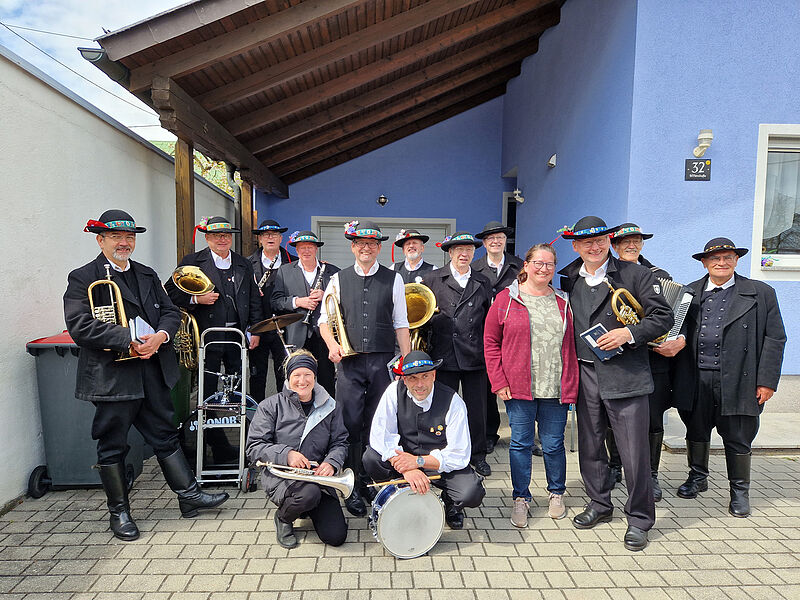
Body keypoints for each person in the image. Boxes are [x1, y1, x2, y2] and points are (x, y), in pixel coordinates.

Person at [64, 210, 229, 542]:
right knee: (113, 445)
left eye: (129, 237)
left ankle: (188, 495)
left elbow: (169, 311)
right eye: (116, 237)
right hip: (114, 377)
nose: (125, 243)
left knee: (166, 434)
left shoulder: (147, 274)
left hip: (151, 369)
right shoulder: (83, 277)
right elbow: (80, 326)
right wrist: (128, 341)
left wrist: (161, 337)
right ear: (100, 240)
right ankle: (119, 512)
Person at [558, 216, 673, 551]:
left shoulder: (635, 274)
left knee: (634, 452)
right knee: (591, 445)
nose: (594, 248)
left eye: (600, 241)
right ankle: (599, 503)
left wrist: (629, 333)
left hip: (625, 373)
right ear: (576, 246)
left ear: (609, 241)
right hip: (586, 372)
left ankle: (639, 519)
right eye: (585, 243)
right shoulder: (569, 278)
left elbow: (662, 317)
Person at [672, 238, 786, 517]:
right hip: (697, 377)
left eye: (728, 257)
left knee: (738, 436)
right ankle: (698, 477)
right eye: (715, 259)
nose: (721, 263)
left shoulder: (760, 292)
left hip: (739, 379)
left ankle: (739, 492)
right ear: (704, 262)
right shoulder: (689, 292)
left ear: (736, 260)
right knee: (696, 431)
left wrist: (767, 381)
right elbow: (676, 330)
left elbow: (775, 338)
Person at [318, 219, 411, 516]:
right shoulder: (337, 279)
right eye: (360, 244)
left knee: (379, 423)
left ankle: (376, 480)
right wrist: (332, 345)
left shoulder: (394, 279)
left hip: (382, 361)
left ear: (379, 247)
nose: (366, 248)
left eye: (371, 244)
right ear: (353, 247)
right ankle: (352, 483)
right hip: (350, 362)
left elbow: (401, 323)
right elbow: (324, 321)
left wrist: (407, 362)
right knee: (349, 424)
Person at [484, 244, 579, 527]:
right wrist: (498, 381)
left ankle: (556, 492)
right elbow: (490, 343)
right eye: (538, 263)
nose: (544, 269)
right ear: (525, 265)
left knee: (552, 445)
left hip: (555, 387)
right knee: (521, 444)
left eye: (550, 264)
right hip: (518, 387)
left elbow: (572, 345)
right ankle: (521, 498)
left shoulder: (564, 301)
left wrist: (572, 383)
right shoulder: (506, 299)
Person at [607, 223, 691, 502]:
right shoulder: (606, 274)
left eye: (637, 241)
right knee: (613, 417)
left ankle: (651, 474)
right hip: (617, 358)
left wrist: (680, 339)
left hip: (653, 359)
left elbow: (677, 315)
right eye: (625, 242)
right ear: (614, 246)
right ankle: (614, 466)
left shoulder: (659, 276)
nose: (631, 245)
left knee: (653, 419)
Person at [364, 350, 486, 529]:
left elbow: (459, 454)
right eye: (412, 378)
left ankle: (450, 503)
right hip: (404, 460)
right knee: (371, 458)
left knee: (471, 493)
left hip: (437, 465)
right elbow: (380, 435)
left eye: (425, 376)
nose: (420, 384)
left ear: (434, 375)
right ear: (404, 379)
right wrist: (407, 469)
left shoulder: (454, 401)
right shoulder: (393, 391)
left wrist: (417, 462)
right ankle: (397, 491)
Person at [246, 350, 349, 548]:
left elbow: (341, 442)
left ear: (314, 377)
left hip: (318, 479)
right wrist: (287, 454)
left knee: (336, 537)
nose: (302, 381)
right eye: (297, 375)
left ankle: (306, 508)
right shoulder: (270, 406)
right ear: (288, 378)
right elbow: (254, 446)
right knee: (308, 494)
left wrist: (332, 462)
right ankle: (284, 518)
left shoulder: (329, 406)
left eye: (308, 374)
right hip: (284, 479)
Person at [165, 217, 263, 402]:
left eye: (226, 235)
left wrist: (255, 330)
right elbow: (169, 291)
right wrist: (196, 299)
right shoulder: (193, 261)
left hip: (237, 333)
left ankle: (236, 418)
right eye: (216, 236)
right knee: (208, 380)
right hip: (207, 332)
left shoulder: (244, 263)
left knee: (237, 380)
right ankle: (209, 424)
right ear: (207, 238)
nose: (222, 239)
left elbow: (254, 299)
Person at [422, 232, 492, 477]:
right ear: (450, 253)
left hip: (475, 355)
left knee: (477, 409)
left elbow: (488, 320)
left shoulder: (483, 281)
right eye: (459, 250)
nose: (465, 254)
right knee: (441, 409)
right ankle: (439, 452)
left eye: (469, 250)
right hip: (443, 353)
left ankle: (478, 455)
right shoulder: (432, 278)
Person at [472, 221, 526, 455]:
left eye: (500, 237)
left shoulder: (520, 266)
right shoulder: (474, 268)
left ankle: (524, 435)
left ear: (505, 241)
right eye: (491, 238)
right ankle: (489, 433)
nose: (495, 241)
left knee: (521, 386)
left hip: (516, 334)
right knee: (486, 389)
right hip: (486, 335)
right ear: (484, 243)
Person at [271, 230, 339, 396]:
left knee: (326, 379)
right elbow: (276, 301)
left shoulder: (332, 271)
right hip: (296, 334)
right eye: (302, 247)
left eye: (310, 247)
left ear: (316, 249)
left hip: (324, 335)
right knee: (296, 379)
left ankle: (327, 416)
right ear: (296, 250)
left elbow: (343, 301)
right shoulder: (285, 271)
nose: (306, 251)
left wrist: (325, 296)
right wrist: (297, 302)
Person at [248, 219, 297, 401]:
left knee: (284, 373)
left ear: (280, 237)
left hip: (286, 326)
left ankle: (285, 417)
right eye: (266, 235)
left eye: (274, 234)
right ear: (259, 239)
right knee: (257, 375)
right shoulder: (247, 264)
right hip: (258, 326)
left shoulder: (294, 262)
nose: (270, 237)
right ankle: (257, 418)